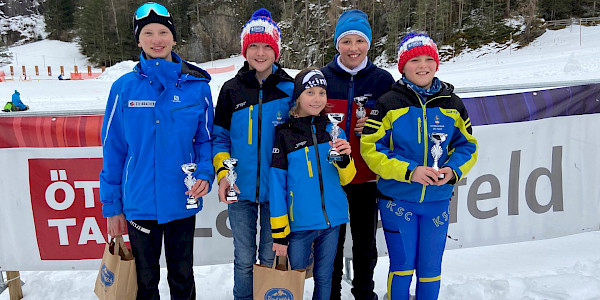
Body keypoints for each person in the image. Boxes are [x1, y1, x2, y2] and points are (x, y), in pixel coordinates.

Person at [99, 3, 214, 299]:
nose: (157, 39)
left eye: (163, 32)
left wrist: (204, 172)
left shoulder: (197, 86)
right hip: (139, 203)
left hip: (181, 199)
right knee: (145, 281)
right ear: (139, 40)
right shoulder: (123, 88)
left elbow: (204, 140)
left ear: (174, 38)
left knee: (182, 275)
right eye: (148, 33)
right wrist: (113, 208)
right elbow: (113, 150)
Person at [360, 33, 478, 300]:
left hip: (437, 199)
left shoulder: (453, 104)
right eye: (414, 60)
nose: (422, 65)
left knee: (430, 269)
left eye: (428, 59)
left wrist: (452, 170)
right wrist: (410, 171)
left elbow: (467, 146)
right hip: (397, 200)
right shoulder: (388, 103)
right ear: (403, 66)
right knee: (402, 267)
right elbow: (372, 149)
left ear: (437, 64)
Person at [212, 8, 294, 300]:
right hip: (240, 189)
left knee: (270, 256)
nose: (260, 53)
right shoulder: (231, 90)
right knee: (244, 258)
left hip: (278, 191)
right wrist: (224, 175)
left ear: (277, 51)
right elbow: (219, 138)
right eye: (254, 46)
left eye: (267, 47)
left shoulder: (290, 89)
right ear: (245, 50)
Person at [320, 9, 395, 300]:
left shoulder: (382, 80)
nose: (353, 48)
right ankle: (331, 294)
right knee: (332, 245)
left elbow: (394, 127)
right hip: (332, 176)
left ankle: (364, 293)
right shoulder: (323, 78)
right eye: (347, 41)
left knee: (365, 243)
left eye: (360, 41)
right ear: (337, 43)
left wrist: (376, 125)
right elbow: (305, 118)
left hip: (367, 176)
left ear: (369, 44)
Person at [270, 68, 356, 299]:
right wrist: (279, 234)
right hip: (299, 225)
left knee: (325, 279)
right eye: (310, 92)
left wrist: (345, 159)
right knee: (293, 281)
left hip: (332, 221)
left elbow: (347, 178)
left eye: (321, 93)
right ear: (298, 96)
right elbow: (277, 186)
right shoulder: (285, 134)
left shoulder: (333, 129)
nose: (317, 99)